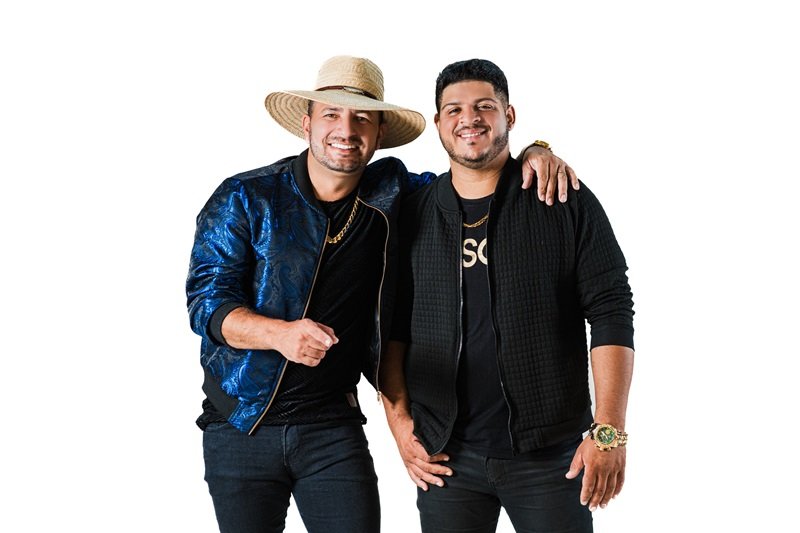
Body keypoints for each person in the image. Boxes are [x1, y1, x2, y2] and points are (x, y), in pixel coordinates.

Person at [186, 55, 577, 533]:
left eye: (362, 118)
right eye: (331, 114)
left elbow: (471, 177)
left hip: (332, 425)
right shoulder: (245, 197)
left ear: (378, 133)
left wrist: (536, 150)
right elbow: (207, 304)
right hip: (240, 421)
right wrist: (279, 334)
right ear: (307, 125)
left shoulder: (392, 192)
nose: (346, 129)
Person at [380, 58, 635, 533]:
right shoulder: (414, 213)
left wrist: (609, 431)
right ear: (438, 123)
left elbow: (611, 310)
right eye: (454, 109)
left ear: (509, 116)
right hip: (445, 457)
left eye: (484, 106)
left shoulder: (562, 198)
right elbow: (392, 329)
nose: (469, 119)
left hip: (550, 456)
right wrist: (400, 426)